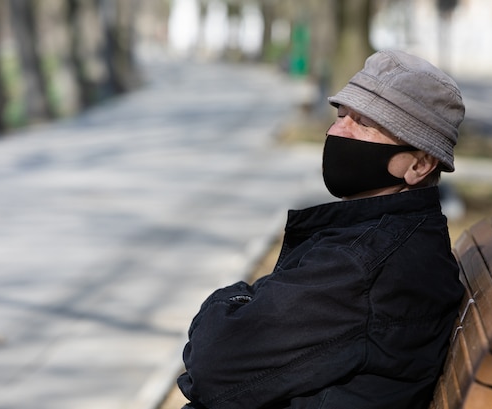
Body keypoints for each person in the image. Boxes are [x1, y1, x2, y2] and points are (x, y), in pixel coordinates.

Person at [177, 49, 466, 409]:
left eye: (362, 123)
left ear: (419, 164)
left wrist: (233, 300)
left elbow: (213, 363)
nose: (337, 131)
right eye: (342, 113)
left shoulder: (365, 265)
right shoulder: (382, 240)